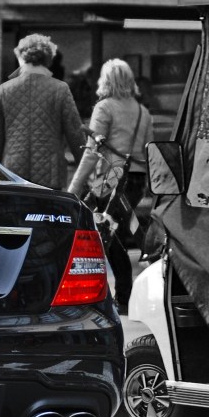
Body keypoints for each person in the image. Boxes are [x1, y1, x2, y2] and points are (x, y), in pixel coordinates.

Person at [68, 58, 155, 314]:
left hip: (110, 180)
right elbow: (150, 152)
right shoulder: (143, 112)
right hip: (136, 180)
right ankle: (123, 296)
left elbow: (92, 152)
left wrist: (74, 187)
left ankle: (121, 297)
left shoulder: (104, 108)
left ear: (106, 81)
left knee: (106, 235)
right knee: (115, 234)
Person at [0, 34, 84, 190]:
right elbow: (75, 134)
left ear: (21, 57)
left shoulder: (5, 90)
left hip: (13, 171)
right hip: (51, 173)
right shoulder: (60, 89)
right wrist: (84, 168)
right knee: (47, 212)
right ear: (48, 59)